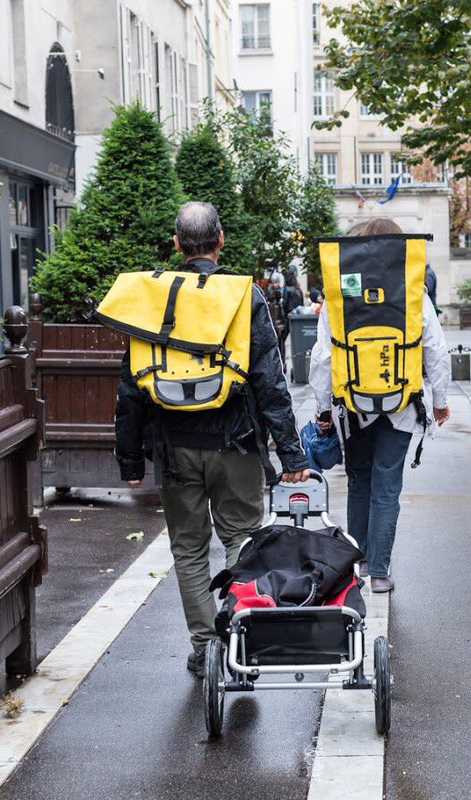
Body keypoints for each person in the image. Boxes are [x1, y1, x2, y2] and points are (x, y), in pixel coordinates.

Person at [114, 201, 310, 677]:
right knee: (241, 538)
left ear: (177, 244)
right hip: (237, 442)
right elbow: (270, 380)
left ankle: (205, 646)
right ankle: (241, 633)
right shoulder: (245, 296)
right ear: (221, 239)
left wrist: (131, 463)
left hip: (173, 447)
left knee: (187, 547)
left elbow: (129, 387)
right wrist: (290, 454)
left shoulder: (150, 297)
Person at [310, 218, 452, 593]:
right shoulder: (413, 293)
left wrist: (323, 408)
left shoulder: (339, 296)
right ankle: (380, 572)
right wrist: (440, 400)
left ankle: (353, 567)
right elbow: (436, 349)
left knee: (358, 481)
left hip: (352, 405)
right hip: (403, 404)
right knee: (387, 486)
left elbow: (322, 357)